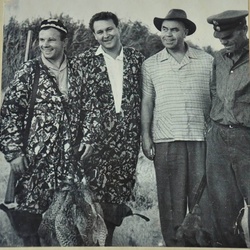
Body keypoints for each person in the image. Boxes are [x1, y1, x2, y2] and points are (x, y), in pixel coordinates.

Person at [0, 19, 100, 246]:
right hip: (34, 161)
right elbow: (9, 113)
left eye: (51, 40)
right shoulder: (29, 70)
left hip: (70, 159)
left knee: (71, 220)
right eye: (42, 40)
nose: (45, 45)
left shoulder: (79, 70)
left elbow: (93, 109)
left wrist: (89, 139)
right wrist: (14, 153)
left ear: (64, 42)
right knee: (29, 222)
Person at [141, 9, 214, 246]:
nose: (168, 34)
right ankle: (174, 244)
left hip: (200, 139)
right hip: (166, 140)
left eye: (174, 29)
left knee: (201, 200)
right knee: (170, 202)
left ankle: (200, 243)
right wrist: (146, 136)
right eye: (164, 29)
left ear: (185, 32)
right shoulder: (151, 64)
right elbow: (147, 102)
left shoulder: (207, 61)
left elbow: (215, 99)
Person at [77, 11, 145, 246]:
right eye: (100, 32)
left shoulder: (137, 59)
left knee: (117, 201)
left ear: (118, 28)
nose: (105, 35)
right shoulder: (83, 61)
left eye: (109, 29)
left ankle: (108, 241)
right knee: (93, 200)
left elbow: (145, 99)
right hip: (96, 142)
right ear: (94, 36)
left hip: (127, 142)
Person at [206, 10, 249, 247]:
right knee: (222, 207)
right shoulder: (218, 59)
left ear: (244, 29)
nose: (224, 42)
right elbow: (214, 92)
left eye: (229, 36)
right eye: (220, 38)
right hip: (218, 138)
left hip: (246, 138)